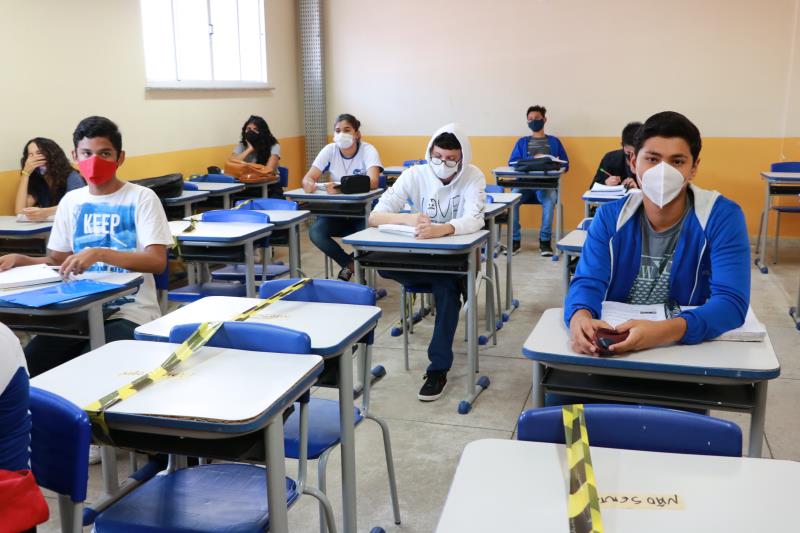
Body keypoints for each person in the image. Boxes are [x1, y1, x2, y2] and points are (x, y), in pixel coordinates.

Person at [565, 111, 750, 356]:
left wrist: (662, 332)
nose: (663, 172)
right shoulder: (610, 217)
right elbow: (587, 281)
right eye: (652, 159)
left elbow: (731, 303)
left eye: (677, 161)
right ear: (633, 162)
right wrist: (580, 315)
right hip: (616, 346)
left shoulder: (722, 217)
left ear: (694, 167)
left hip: (686, 350)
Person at [0, 116, 173, 377]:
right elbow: (58, 259)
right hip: (77, 309)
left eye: (105, 153)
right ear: (75, 156)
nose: (95, 160)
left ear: (120, 157)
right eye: (87, 153)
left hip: (128, 311)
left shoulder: (141, 198)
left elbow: (157, 261)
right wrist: (23, 259)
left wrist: (100, 253)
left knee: (86, 370)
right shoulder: (71, 201)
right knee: (25, 369)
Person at [369, 123, 486, 401]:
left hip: (453, 257)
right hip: (419, 258)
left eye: (451, 158)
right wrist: (407, 218)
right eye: (438, 157)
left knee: (446, 288)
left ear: (462, 157)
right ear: (429, 153)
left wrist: (442, 229)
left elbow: (475, 218)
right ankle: (455, 286)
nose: (443, 164)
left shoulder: (473, 175)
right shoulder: (414, 174)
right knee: (382, 263)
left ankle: (438, 369)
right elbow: (375, 216)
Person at [302, 113, 383, 281]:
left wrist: (341, 188)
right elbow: (309, 177)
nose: (342, 134)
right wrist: (308, 183)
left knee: (367, 238)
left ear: (357, 134)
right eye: (338, 130)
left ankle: (360, 273)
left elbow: (373, 181)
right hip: (338, 211)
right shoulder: (330, 150)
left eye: (347, 130)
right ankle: (350, 264)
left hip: (364, 211)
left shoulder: (368, 150)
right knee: (316, 232)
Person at [507, 105, 569, 256]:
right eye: (530, 119)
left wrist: (555, 163)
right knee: (512, 199)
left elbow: (566, 164)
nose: (533, 121)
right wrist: (532, 159)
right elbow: (512, 162)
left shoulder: (554, 142)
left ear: (544, 120)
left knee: (549, 201)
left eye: (536, 118)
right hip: (524, 185)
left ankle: (545, 241)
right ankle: (514, 240)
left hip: (546, 185)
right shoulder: (522, 142)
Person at [16, 137, 85, 221]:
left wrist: (45, 212)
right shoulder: (37, 179)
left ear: (52, 155)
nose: (35, 159)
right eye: (30, 155)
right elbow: (20, 212)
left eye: (39, 153)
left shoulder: (72, 176)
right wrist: (26, 173)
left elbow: (75, 205)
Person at [230, 115, 283, 198]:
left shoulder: (273, 145)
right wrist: (249, 149)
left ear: (262, 132)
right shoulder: (242, 145)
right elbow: (232, 164)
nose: (251, 132)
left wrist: (249, 170)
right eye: (248, 129)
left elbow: (268, 170)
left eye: (255, 129)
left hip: (270, 187)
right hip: (247, 186)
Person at [590, 121, 642, 188]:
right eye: (629, 153)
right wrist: (605, 184)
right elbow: (592, 188)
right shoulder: (610, 159)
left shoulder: (650, 162)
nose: (632, 159)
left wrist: (638, 190)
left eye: (636, 154)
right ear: (622, 145)